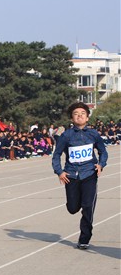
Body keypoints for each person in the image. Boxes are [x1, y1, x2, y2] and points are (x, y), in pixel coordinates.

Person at [52, 102, 108, 250]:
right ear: (72, 118)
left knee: (88, 206)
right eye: (76, 114)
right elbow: (56, 155)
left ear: (87, 118)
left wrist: (101, 164)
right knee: (72, 208)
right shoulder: (66, 136)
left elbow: (103, 151)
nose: (79, 116)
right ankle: (75, 202)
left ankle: (84, 238)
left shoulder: (94, 134)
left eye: (82, 114)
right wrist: (60, 171)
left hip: (89, 173)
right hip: (71, 175)